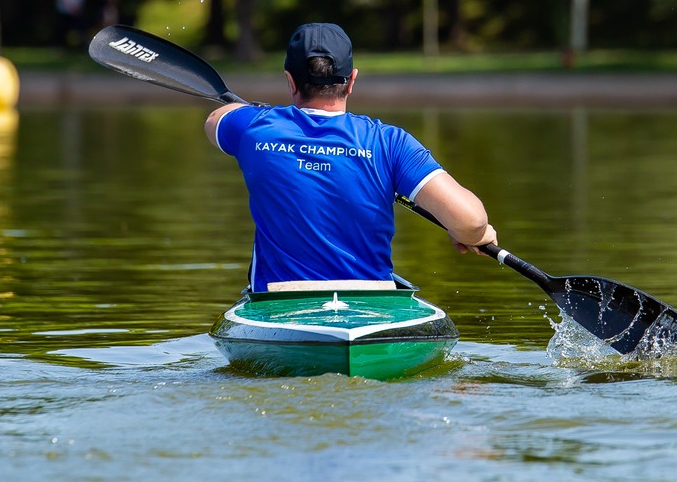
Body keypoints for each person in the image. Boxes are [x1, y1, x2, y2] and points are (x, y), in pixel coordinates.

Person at [204, 22, 496, 290]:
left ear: (290, 81)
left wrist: (261, 112)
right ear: (352, 80)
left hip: (279, 303)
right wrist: (475, 235)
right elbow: (469, 221)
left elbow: (215, 119)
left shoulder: (254, 129)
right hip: (370, 305)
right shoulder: (390, 142)